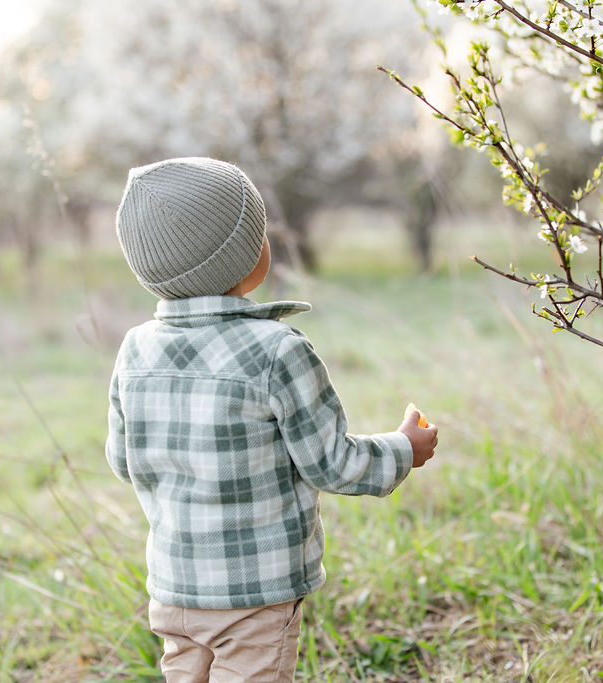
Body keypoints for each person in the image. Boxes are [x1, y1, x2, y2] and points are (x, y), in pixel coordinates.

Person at [105, 157, 439, 682]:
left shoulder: (135, 350)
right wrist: (404, 448)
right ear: (243, 257)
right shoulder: (276, 351)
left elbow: (124, 462)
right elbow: (332, 464)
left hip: (173, 589)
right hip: (254, 593)